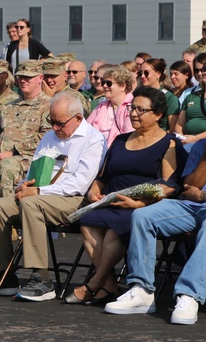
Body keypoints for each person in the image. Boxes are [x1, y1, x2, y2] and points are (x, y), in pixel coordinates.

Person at [0, 93, 106, 301]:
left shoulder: (94, 139)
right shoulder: (49, 137)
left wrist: (39, 191)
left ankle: (42, 278)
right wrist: (24, 184)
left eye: (60, 123)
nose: (54, 128)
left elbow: (81, 184)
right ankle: (5, 275)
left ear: (78, 118)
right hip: (42, 194)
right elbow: (35, 172)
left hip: (75, 198)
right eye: (51, 122)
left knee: (32, 204)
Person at [68, 87, 184, 305]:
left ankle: (94, 284)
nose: (133, 114)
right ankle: (109, 285)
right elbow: (102, 176)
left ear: (158, 115)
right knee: (86, 222)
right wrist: (94, 190)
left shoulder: (168, 143)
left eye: (141, 110)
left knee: (114, 232)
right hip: (111, 199)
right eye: (132, 108)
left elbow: (169, 186)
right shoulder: (120, 140)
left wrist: (139, 202)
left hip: (141, 204)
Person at [105, 138, 206, 323]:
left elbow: (198, 192)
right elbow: (189, 186)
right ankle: (142, 290)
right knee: (143, 216)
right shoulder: (201, 145)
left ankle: (189, 295)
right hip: (192, 206)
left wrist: (202, 194)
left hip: (201, 201)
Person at [0, 60, 51, 200]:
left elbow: (46, 138)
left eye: (28, 77)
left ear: (40, 78)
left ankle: (7, 215)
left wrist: (12, 152)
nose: (23, 81)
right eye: (20, 77)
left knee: (7, 166)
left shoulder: (49, 105)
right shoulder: (9, 106)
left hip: (30, 160)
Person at [88, 65, 134, 147]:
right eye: (103, 83)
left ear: (122, 86)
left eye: (109, 83)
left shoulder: (131, 108)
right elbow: (87, 129)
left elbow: (128, 136)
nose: (104, 86)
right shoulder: (100, 107)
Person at [139, 58, 181, 130]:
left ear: (158, 74)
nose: (142, 76)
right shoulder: (139, 96)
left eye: (146, 73)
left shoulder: (169, 98)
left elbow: (172, 130)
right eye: (140, 73)